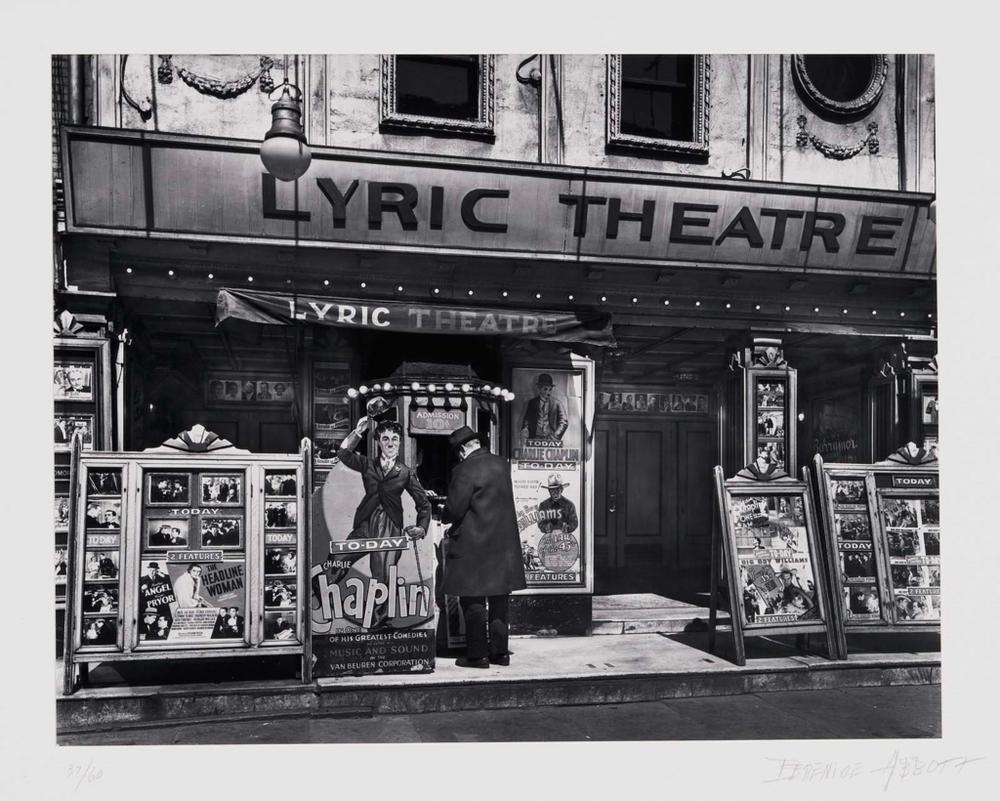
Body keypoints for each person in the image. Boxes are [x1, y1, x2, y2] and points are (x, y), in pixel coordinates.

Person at [329, 416, 431, 628]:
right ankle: (319, 596)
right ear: (378, 441)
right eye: (385, 439)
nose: (391, 443)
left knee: (383, 575)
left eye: (394, 438)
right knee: (338, 558)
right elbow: (343, 454)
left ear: (400, 443)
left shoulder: (405, 472)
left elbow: (424, 504)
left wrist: (421, 528)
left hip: (390, 526)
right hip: (366, 523)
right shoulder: (367, 464)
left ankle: (380, 623)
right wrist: (358, 431)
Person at [442, 425, 526, 668]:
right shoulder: (502, 464)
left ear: (462, 450)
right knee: (500, 599)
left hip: (474, 544)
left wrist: (444, 515)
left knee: (473, 600)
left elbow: (455, 509)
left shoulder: (464, 469)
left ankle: (477, 656)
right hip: (503, 545)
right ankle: (500, 654)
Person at [519, 373, 568, 442]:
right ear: (539, 388)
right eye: (545, 389)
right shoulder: (532, 403)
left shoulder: (557, 403)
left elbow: (564, 422)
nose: (548, 392)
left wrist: (555, 436)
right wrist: (524, 434)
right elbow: (526, 421)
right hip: (534, 439)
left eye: (550, 389)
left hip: (551, 440)